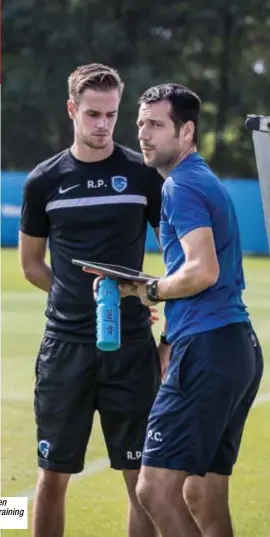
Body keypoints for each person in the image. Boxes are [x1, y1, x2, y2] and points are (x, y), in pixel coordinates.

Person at [19, 63, 164, 537]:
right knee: (52, 476)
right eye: (93, 114)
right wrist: (76, 301)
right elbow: (32, 264)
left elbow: (179, 253)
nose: (102, 124)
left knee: (140, 480)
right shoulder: (43, 181)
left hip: (132, 351)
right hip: (66, 351)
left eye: (111, 114)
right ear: (72, 110)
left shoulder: (143, 176)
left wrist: (147, 297)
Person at [118, 83, 264, 537]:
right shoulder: (200, 179)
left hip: (208, 350)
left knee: (154, 491)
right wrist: (167, 337)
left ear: (186, 131)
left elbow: (202, 271)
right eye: (141, 123)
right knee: (202, 495)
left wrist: (150, 292)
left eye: (156, 125)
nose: (144, 133)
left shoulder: (180, 186)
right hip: (234, 348)